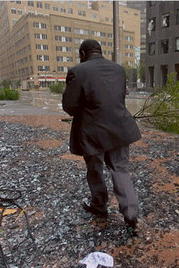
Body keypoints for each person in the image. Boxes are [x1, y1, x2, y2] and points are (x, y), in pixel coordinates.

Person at [62, 39, 142, 233]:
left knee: (95, 169)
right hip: (120, 128)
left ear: (83, 54)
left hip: (92, 131)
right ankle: (131, 215)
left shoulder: (77, 72)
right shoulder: (119, 70)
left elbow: (70, 107)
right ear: (99, 51)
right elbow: (118, 98)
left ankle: (99, 206)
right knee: (120, 169)